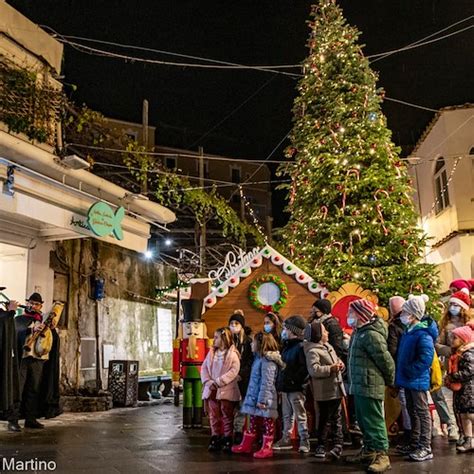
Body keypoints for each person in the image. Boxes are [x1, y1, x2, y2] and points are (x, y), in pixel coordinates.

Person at [346, 298, 395, 473]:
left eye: (351, 313)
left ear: (361, 315)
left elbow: (385, 360)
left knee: (373, 421)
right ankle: (369, 451)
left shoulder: (371, 335)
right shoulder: (359, 332)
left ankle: (382, 455)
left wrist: (391, 382)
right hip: (360, 384)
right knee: (364, 421)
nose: (348, 316)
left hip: (369, 384)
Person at [395, 295, 438, 462]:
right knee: (412, 412)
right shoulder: (409, 332)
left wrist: (411, 371)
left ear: (413, 315)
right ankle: (415, 442)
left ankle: (425, 446)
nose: (402, 314)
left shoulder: (423, 335)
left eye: (405, 311)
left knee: (422, 412)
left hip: (416, 379)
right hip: (408, 378)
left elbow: (425, 358)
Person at [232, 332, 284, 459]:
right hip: (255, 397)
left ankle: (267, 448)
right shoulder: (258, 358)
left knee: (268, 423)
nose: (251, 344)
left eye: (254, 342)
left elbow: (267, 382)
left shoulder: (268, 361)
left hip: (264, 399)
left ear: (261, 344)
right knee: (253, 422)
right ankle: (247, 444)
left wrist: (263, 400)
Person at [304, 320, 345, 460]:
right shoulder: (312, 351)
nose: (327, 333)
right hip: (325, 391)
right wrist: (330, 369)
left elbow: (336, 359)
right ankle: (321, 444)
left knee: (337, 417)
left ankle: (338, 444)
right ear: (318, 335)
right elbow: (314, 370)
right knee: (324, 418)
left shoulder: (328, 346)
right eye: (324, 331)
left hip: (336, 388)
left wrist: (340, 365)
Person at [9, 293, 47, 430]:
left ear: (40, 306)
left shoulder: (43, 320)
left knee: (34, 389)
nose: (32, 306)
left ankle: (30, 419)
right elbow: (17, 332)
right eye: (31, 303)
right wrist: (31, 329)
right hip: (22, 359)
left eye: (36, 304)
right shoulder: (20, 319)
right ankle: (13, 420)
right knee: (18, 389)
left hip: (37, 359)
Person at [274, 315, 310, 453]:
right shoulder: (287, 347)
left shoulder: (300, 347)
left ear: (293, 331)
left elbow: (303, 368)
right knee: (287, 415)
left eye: (285, 329)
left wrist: (295, 380)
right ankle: (286, 438)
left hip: (296, 388)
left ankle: (304, 439)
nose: (283, 331)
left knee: (300, 415)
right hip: (286, 387)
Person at [201, 327, 241, 453]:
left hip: (226, 390)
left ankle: (228, 438)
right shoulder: (211, 353)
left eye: (217, 337)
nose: (214, 339)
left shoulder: (233, 355)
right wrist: (208, 381)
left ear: (224, 339)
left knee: (227, 415)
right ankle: (215, 436)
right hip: (212, 390)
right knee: (214, 415)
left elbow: (233, 371)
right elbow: (204, 368)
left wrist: (219, 382)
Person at [387, 296, 412, 445]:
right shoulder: (412, 324)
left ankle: (410, 436)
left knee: (406, 403)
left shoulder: (394, 326)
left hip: (401, 370)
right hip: (411, 370)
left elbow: (392, 350)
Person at [445, 324, 474, 453]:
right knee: (463, 415)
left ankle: (470, 438)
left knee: (470, 415)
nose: (452, 340)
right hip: (462, 391)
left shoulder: (468, 354)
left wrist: (453, 376)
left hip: (469, 391)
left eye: (455, 338)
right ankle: (468, 439)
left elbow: (469, 371)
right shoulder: (458, 354)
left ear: (463, 339)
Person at [228, 310, 253, 444]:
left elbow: (249, 361)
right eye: (231, 323)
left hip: (242, 380)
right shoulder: (227, 341)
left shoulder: (247, 342)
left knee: (241, 406)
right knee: (229, 406)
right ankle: (228, 432)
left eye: (236, 323)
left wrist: (241, 374)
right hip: (228, 379)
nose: (233, 326)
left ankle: (238, 431)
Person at [0, 298, 21, 432]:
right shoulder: (5, 316)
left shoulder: (4, 314)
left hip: (7, 358)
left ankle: (12, 419)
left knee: (10, 387)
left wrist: (9, 313)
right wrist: (11, 312)